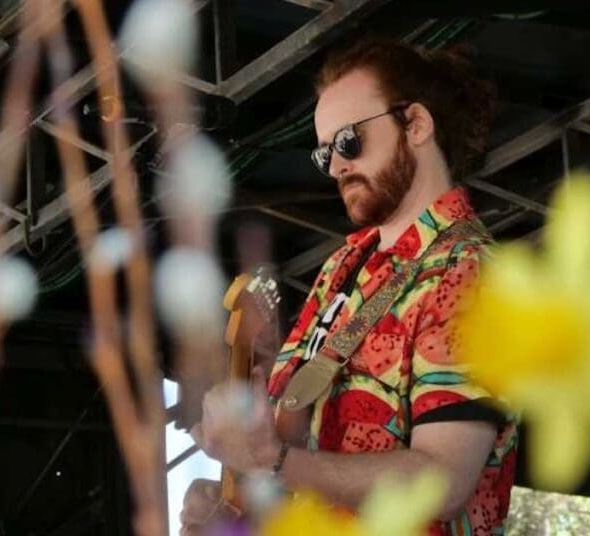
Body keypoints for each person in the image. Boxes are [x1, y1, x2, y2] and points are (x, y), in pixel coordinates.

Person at [182, 38, 517, 535]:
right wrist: (234, 506)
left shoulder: (469, 270)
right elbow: (302, 464)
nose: (336, 167)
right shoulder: (341, 267)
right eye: (324, 154)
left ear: (416, 124)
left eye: (348, 141)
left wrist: (273, 460)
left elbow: (443, 482)